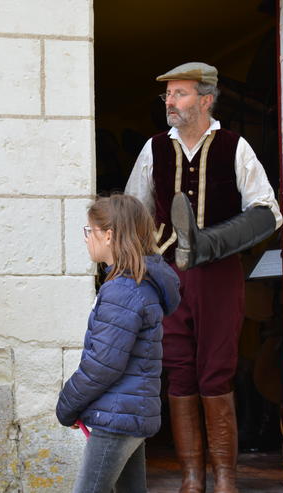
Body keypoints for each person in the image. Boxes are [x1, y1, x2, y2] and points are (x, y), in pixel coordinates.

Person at [125, 62, 283, 493]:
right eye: (167, 95)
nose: (170, 102)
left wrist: (211, 242)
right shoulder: (154, 148)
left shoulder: (235, 146)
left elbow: (267, 212)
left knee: (217, 370)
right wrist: (138, 268)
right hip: (168, 274)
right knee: (178, 370)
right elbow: (134, 212)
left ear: (206, 99)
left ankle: (226, 478)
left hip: (220, 273)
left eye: (179, 93)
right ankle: (192, 477)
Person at [56, 194, 181, 493]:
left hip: (116, 419)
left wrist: (67, 405)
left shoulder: (123, 290)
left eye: (90, 231)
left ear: (109, 236)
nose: (86, 238)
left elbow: (102, 364)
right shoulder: (137, 285)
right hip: (127, 414)